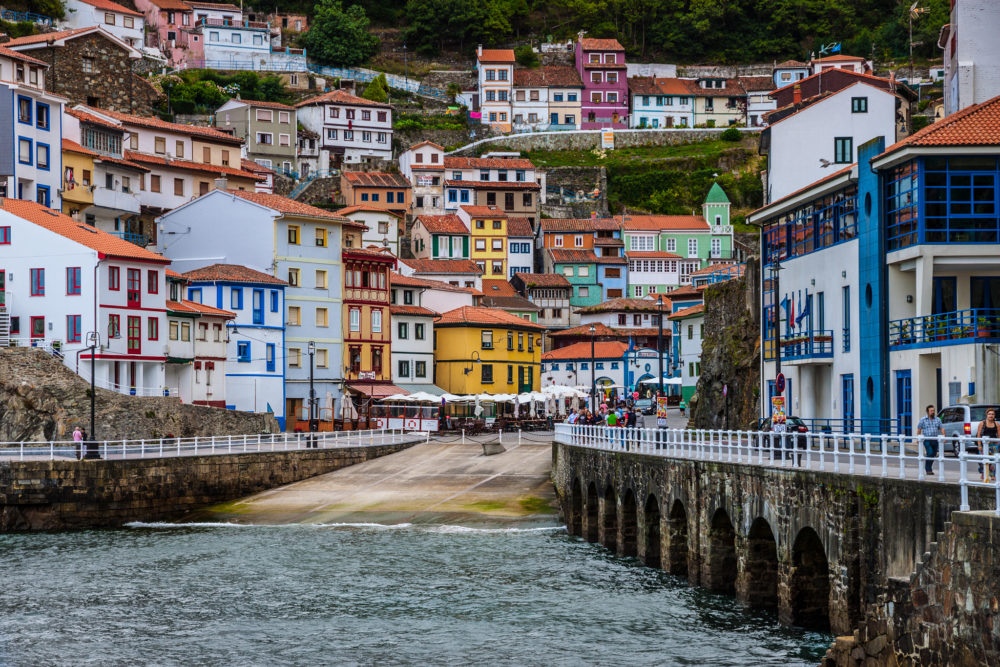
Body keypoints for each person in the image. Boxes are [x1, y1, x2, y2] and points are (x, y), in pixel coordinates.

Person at [917, 405, 945, 475]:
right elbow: (919, 429)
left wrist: (944, 437)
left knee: (933, 454)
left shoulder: (937, 419)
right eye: (931, 411)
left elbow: (942, 428)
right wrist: (918, 438)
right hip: (927, 439)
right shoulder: (923, 420)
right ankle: (928, 469)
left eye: (933, 410)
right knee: (930, 453)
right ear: (927, 412)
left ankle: (929, 467)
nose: (933, 412)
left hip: (935, 440)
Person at [975, 408, 999, 480]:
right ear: (986, 415)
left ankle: (992, 475)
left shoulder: (996, 424)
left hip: (993, 445)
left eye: (992, 414)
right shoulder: (982, 423)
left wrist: (997, 443)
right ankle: (983, 472)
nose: (991, 415)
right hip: (983, 445)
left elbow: (999, 435)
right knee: (982, 460)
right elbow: (978, 434)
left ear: (994, 415)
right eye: (989, 414)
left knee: (992, 461)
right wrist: (979, 445)